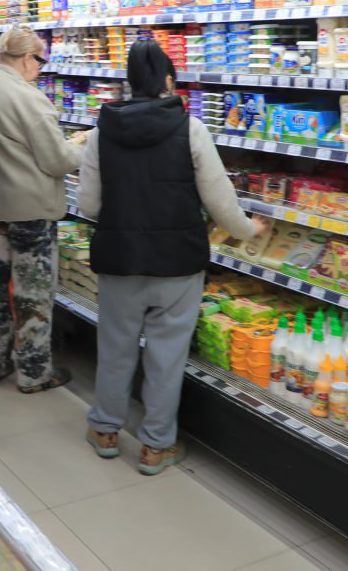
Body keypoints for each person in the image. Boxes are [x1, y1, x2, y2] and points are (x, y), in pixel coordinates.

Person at [77, 41, 271, 475]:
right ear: (168, 80)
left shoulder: (101, 132)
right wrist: (248, 230)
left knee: (116, 349)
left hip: (120, 259)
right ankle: (156, 446)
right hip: (177, 262)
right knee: (166, 357)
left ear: (129, 81)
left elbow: (88, 204)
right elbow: (220, 202)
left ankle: (105, 430)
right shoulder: (191, 129)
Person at [0, 24, 82, 394]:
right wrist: (81, 145)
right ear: (25, 58)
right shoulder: (29, 98)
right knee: (32, 298)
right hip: (30, 213)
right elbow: (58, 160)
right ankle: (34, 374)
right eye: (40, 60)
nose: (40, 67)